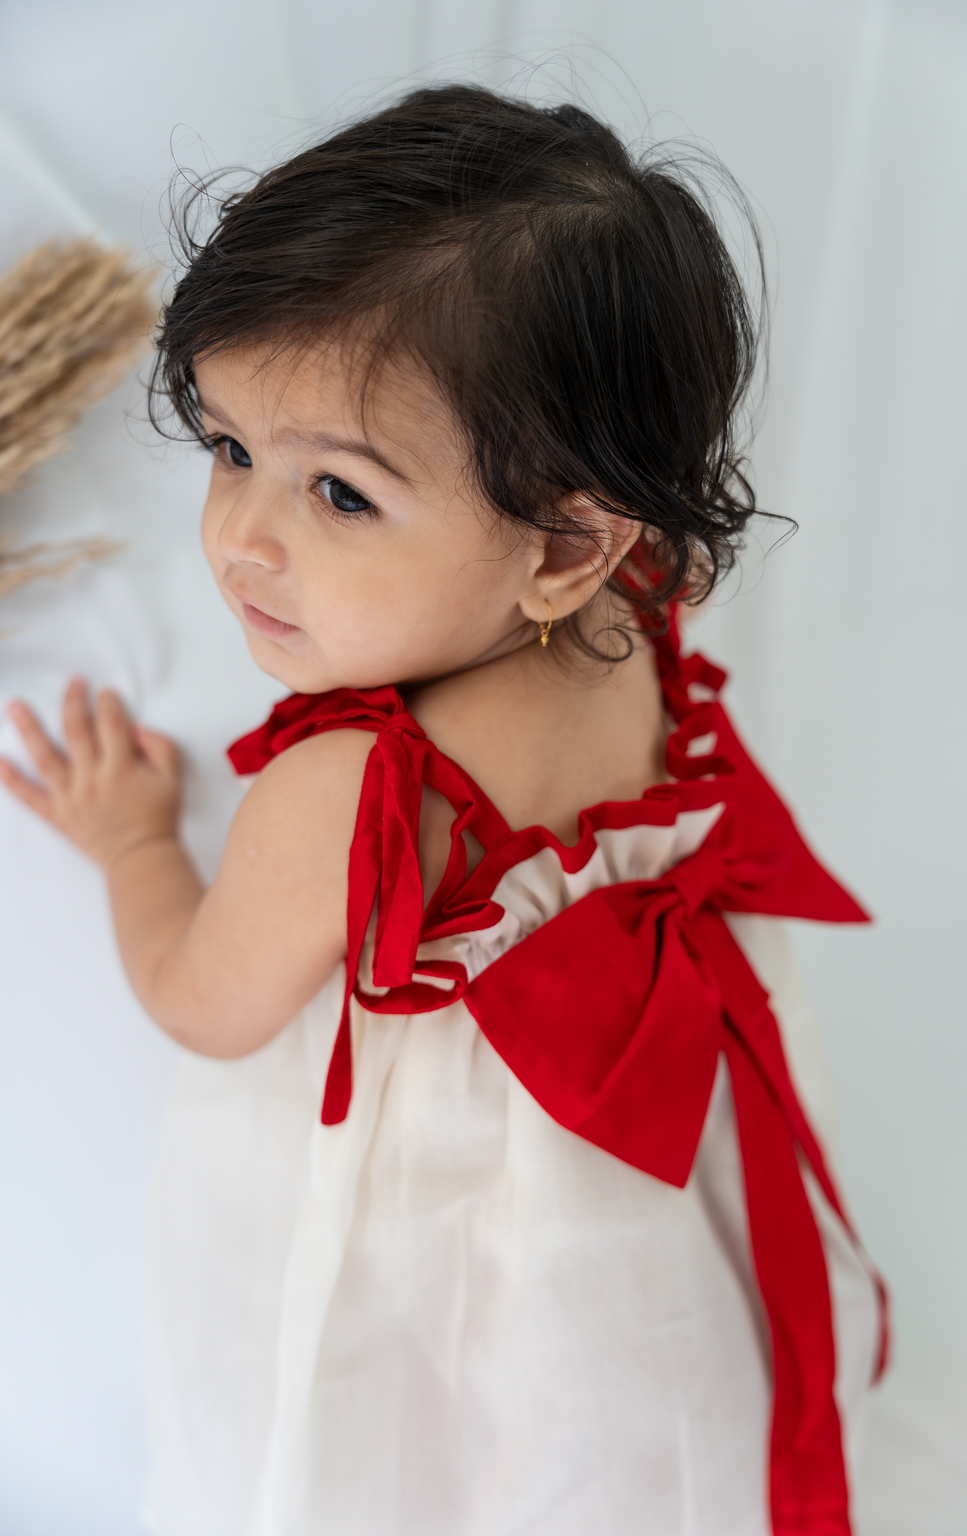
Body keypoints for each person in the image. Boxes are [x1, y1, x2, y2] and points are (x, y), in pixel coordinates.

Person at [0, 85, 885, 1536]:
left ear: (566, 544)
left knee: (391, 1462)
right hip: (635, 1204)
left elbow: (204, 1003)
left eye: (339, 495)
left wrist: (134, 840)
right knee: (602, 1459)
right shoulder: (642, 604)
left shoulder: (355, 790)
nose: (242, 539)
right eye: (229, 449)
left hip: (428, 1246)